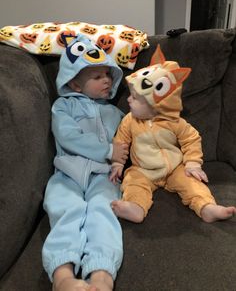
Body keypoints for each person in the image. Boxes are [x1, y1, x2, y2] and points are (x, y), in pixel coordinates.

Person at [110, 45, 236, 224]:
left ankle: (207, 207)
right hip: (143, 169)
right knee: (133, 182)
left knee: (192, 183)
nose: (128, 100)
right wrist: (117, 163)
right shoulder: (130, 120)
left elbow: (191, 139)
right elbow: (121, 141)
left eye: (135, 98)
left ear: (157, 106)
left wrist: (193, 163)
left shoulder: (175, 123)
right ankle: (135, 207)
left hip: (174, 169)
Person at [42, 33, 129, 291]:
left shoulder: (114, 112)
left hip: (104, 176)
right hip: (67, 174)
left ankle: (102, 274)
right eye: (97, 76)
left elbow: (130, 135)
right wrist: (107, 150)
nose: (106, 80)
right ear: (76, 85)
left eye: (108, 75)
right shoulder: (64, 107)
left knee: (103, 211)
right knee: (66, 211)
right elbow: (67, 136)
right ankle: (62, 276)